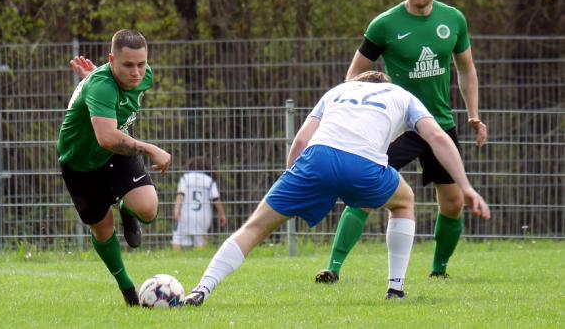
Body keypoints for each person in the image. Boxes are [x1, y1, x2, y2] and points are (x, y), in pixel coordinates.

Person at [182, 70, 489, 306]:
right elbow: (437, 138)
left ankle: (201, 290)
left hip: (317, 159)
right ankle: (396, 288)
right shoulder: (402, 94)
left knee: (255, 227)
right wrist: (465, 186)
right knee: (404, 201)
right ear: (384, 83)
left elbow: (301, 140)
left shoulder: (338, 91)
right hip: (364, 167)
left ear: (359, 82)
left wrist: (291, 178)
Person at [315, 0, 488, 284]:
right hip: (398, 127)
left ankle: (438, 270)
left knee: (452, 204)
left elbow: (466, 69)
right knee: (365, 191)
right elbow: (353, 76)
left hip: (438, 124)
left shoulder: (453, 20)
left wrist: (474, 114)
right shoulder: (384, 24)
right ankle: (333, 268)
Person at [57, 29, 171, 306]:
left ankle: (126, 209)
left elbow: (112, 102)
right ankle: (128, 289)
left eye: (141, 64)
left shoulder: (142, 78)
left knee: (147, 209)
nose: (137, 72)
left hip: (117, 151)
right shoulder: (100, 85)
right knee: (102, 229)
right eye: (128, 65)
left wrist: (95, 82)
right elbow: (107, 137)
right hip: (80, 161)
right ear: (112, 60)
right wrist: (150, 148)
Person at [173, 156, 227, 251]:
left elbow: (180, 195)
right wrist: (222, 214)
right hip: (203, 216)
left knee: (178, 238)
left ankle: (176, 257)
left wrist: (176, 209)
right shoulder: (210, 181)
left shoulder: (185, 178)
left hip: (186, 215)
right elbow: (216, 200)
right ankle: (200, 257)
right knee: (201, 240)